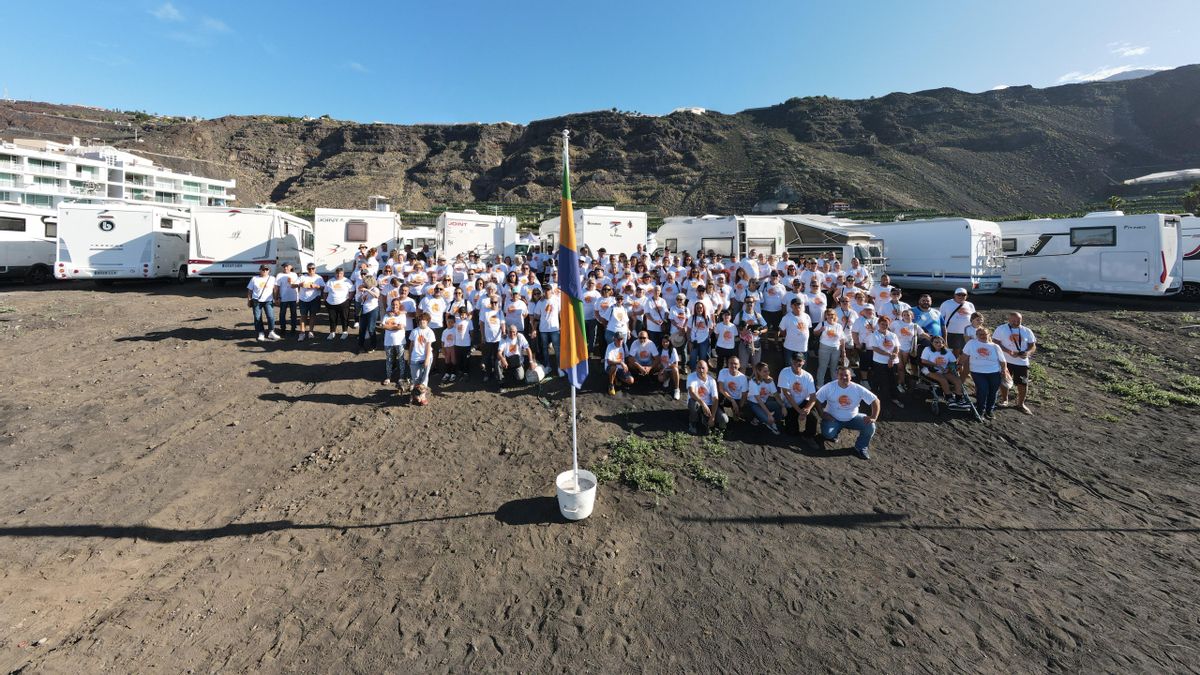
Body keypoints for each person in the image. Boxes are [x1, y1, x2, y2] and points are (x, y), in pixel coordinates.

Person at [815, 366, 881, 461]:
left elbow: (875, 400)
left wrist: (874, 417)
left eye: (846, 375)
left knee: (870, 426)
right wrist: (822, 414)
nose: (844, 377)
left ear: (851, 376)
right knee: (828, 434)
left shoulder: (857, 388)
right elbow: (816, 399)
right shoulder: (829, 387)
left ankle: (861, 447)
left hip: (853, 418)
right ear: (837, 375)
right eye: (841, 375)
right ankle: (835, 432)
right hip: (833, 418)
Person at [961, 325, 1009, 420]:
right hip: (977, 371)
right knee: (983, 390)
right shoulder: (971, 343)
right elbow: (964, 355)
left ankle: (989, 410)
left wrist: (1004, 370)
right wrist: (959, 364)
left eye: (985, 334)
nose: (983, 336)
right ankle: (980, 410)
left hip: (994, 372)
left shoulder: (995, 346)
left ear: (989, 334)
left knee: (993, 392)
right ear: (977, 335)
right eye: (980, 334)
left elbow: (1002, 360)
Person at [993, 312, 1037, 415]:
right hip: (1005, 360)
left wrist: (1028, 353)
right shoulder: (1001, 329)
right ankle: (1004, 400)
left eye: (1018, 321)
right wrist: (1008, 351)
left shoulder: (1027, 331)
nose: (1016, 322)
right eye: (1013, 321)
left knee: (1023, 383)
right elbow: (995, 342)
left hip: (1022, 362)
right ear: (1008, 320)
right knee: (1004, 380)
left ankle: (1021, 404)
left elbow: (1032, 345)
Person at [778, 352, 820, 442]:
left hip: (803, 402)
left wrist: (807, 409)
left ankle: (808, 435)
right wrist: (799, 411)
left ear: (804, 362)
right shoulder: (785, 372)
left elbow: (813, 396)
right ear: (791, 360)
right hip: (789, 404)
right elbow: (786, 393)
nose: (797, 363)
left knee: (813, 416)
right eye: (795, 360)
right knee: (792, 432)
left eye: (799, 361)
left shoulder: (808, 376)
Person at [919, 335, 968, 409]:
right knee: (943, 380)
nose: (939, 344)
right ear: (932, 343)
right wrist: (936, 365)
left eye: (941, 342)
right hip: (930, 369)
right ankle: (949, 397)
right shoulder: (927, 349)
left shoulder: (947, 351)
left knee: (957, 381)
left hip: (944, 370)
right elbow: (924, 361)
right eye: (936, 342)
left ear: (943, 343)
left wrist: (949, 368)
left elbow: (953, 362)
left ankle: (959, 398)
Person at [868, 315, 903, 409]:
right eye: (882, 324)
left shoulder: (892, 335)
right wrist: (889, 355)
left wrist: (893, 356)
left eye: (886, 324)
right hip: (880, 362)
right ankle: (880, 402)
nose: (884, 326)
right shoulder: (874, 335)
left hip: (893, 362)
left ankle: (894, 398)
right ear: (879, 324)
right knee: (882, 382)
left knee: (893, 380)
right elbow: (875, 348)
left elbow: (896, 347)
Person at [687, 359, 727, 435]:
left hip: (709, 405)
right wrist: (703, 404)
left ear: (707, 369)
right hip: (698, 403)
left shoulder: (712, 380)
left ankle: (712, 423)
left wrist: (713, 417)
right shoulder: (691, 377)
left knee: (724, 419)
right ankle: (693, 422)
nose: (701, 370)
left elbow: (715, 399)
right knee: (692, 402)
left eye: (703, 368)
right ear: (696, 368)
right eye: (699, 368)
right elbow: (691, 392)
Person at [746, 362, 784, 435]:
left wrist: (783, 406)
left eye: (768, 371)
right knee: (768, 419)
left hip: (764, 403)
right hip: (754, 403)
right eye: (764, 371)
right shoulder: (753, 381)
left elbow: (776, 394)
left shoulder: (769, 380)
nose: (767, 373)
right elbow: (758, 400)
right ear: (758, 372)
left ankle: (764, 419)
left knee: (779, 406)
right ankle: (763, 419)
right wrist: (769, 414)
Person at [813, 308, 847, 388]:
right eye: (828, 314)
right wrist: (820, 330)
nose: (830, 316)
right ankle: (820, 385)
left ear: (835, 315)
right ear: (826, 316)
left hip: (836, 348)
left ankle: (835, 385)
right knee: (822, 367)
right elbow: (814, 333)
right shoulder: (822, 323)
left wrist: (843, 350)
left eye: (832, 314)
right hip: (824, 347)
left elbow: (842, 339)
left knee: (834, 368)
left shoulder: (838, 326)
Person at [408, 312, 436, 405]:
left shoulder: (429, 332)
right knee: (415, 378)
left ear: (427, 321)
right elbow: (411, 345)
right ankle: (416, 395)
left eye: (424, 320)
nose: (422, 321)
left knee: (424, 379)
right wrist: (409, 357)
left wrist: (427, 359)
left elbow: (428, 347)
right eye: (420, 320)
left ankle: (423, 396)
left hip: (426, 357)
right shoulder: (414, 331)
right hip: (415, 358)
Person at [939, 288, 976, 358]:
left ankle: (960, 365)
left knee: (966, 353)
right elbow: (940, 318)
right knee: (953, 353)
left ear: (966, 296)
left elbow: (974, 318)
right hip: (951, 332)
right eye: (959, 294)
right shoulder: (946, 303)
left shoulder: (970, 305)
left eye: (963, 295)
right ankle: (953, 365)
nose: (961, 296)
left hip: (966, 333)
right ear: (954, 295)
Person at [246, 265, 279, 341]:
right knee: (257, 317)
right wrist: (249, 300)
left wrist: (276, 298)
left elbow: (275, 289)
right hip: (256, 300)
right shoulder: (254, 278)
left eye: (266, 269)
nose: (265, 271)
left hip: (268, 300)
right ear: (260, 270)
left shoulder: (272, 278)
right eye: (263, 269)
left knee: (271, 317)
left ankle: (271, 332)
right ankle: (260, 332)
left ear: (269, 271)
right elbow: (250, 290)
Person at [498, 322, 535, 389]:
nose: (512, 334)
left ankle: (513, 372)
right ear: (507, 332)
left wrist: (531, 362)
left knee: (520, 377)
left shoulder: (520, 337)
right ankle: (501, 382)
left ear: (517, 332)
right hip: (507, 360)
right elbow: (499, 353)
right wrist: (502, 359)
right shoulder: (504, 338)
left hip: (518, 361)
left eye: (514, 332)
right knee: (498, 363)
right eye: (510, 332)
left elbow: (528, 349)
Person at [380, 298, 408, 387]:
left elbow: (401, 327)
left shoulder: (402, 316)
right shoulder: (387, 315)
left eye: (396, 305)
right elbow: (382, 326)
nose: (394, 306)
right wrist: (395, 326)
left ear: (399, 306)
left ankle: (401, 377)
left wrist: (388, 327)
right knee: (389, 359)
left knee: (401, 359)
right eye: (393, 304)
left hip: (400, 342)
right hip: (388, 342)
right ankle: (388, 377)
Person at [295, 263, 324, 341]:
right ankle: (302, 333)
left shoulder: (319, 278)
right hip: (303, 299)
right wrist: (300, 284)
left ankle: (311, 331)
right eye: (309, 269)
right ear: (307, 269)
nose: (311, 270)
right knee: (303, 316)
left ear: (315, 269)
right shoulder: (302, 277)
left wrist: (317, 286)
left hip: (314, 299)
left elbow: (323, 287)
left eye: (313, 268)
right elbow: (293, 285)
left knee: (313, 315)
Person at [717, 355, 749, 425]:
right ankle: (720, 413)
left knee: (738, 419)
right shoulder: (723, 372)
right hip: (725, 397)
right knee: (717, 395)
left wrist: (739, 407)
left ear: (739, 365)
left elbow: (744, 395)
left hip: (737, 399)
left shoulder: (743, 378)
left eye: (735, 364)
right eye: (731, 363)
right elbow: (721, 389)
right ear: (728, 364)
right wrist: (732, 400)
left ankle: (735, 412)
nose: (733, 365)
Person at [778, 298, 812, 364]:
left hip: (803, 348)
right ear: (791, 306)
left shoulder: (807, 316)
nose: (797, 306)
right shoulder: (786, 317)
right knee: (789, 366)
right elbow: (781, 330)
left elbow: (808, 328)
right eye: (795, 304)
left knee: (802, 367)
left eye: (799, 304)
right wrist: (789, 336)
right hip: (789, 347)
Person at [324, 267, 353, 340]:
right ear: (335, 273)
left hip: (343, 302)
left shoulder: (347, 281)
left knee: (344, 318)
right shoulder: (330, 281)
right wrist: (326, 301)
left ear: (343, 274)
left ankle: (345, 332)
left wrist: (348, 300)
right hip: (331, 303)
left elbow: (352, 291)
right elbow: (325, 292)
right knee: (332, 318)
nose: (339, 275)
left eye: (341, 273)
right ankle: (332, 332)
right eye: (337, 273)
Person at [355, 275, 381, 354]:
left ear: (369, 282)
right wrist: (361, 295)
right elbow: (359, 300)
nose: (363, 283)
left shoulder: (375, 289)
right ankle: (361, 346)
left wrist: (367, 290)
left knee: (371, 328)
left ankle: (373, 346)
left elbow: (376, 296)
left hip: (372, 310)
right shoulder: (364, 290)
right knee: (362, 329)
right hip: (364, 310)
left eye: (364, 282)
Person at [275, 263, 300, 336]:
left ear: (290, 267)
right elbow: (277, 287)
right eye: (284, 267)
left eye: (287, 267)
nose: (285, 268)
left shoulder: (294, 274)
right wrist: (277, 297)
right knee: (282, 313)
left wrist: (298, 296)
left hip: (293, 297)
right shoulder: (279, 275)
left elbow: (297, 285)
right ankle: (283, 328)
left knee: (293, 313)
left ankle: (293, 328)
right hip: (283, 297)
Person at [656, 333, 682, 400]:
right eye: (663, 342)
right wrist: (660, 368)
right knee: (660, 379)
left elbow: (676, 365)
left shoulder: (673, 350)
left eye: (666, 342)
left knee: (675, 369)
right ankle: (667, 378)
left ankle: (677, 389)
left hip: (671, 369)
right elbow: (657, 362)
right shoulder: (659, 349)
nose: (665, 343)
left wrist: (667, 367)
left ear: (669, 342)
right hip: (664, 370)